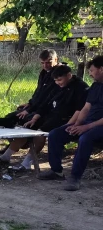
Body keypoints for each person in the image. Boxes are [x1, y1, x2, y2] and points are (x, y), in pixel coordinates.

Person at [0, 65, 88, 169]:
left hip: (66, 119)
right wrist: (35, 118)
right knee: (27, 127)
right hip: (51, 115)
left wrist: (68, 125)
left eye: (60, 80)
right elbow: (46, 104)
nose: (58, 83)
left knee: (40, 133)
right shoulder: (58, 86)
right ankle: (6, 156)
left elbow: (79, 110)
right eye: (55, 81)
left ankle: (27, 162)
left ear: (69, 75)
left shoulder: (81, 87)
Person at [39, 55, 103, 190]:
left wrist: (86, 127)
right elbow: (86, 108)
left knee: (85, 138)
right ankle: (56, 171)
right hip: (88, 123)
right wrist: (77, 124)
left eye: (92, 70)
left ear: (101, 69)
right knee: (55, 134)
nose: (90, 74)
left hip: (99, 126)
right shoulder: (96, 86)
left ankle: (75, 177)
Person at [0, 49, 59, 128]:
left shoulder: (58, 74)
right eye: (42, 63)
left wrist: (29, 110)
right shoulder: (43, 73)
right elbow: (39, 92)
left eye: (48, 62)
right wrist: (30, 104)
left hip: (47, 110)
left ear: (55, 59)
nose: (45, 66)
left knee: (19, 119)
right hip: (36, 107)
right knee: (11, 116)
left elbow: (47, 97)